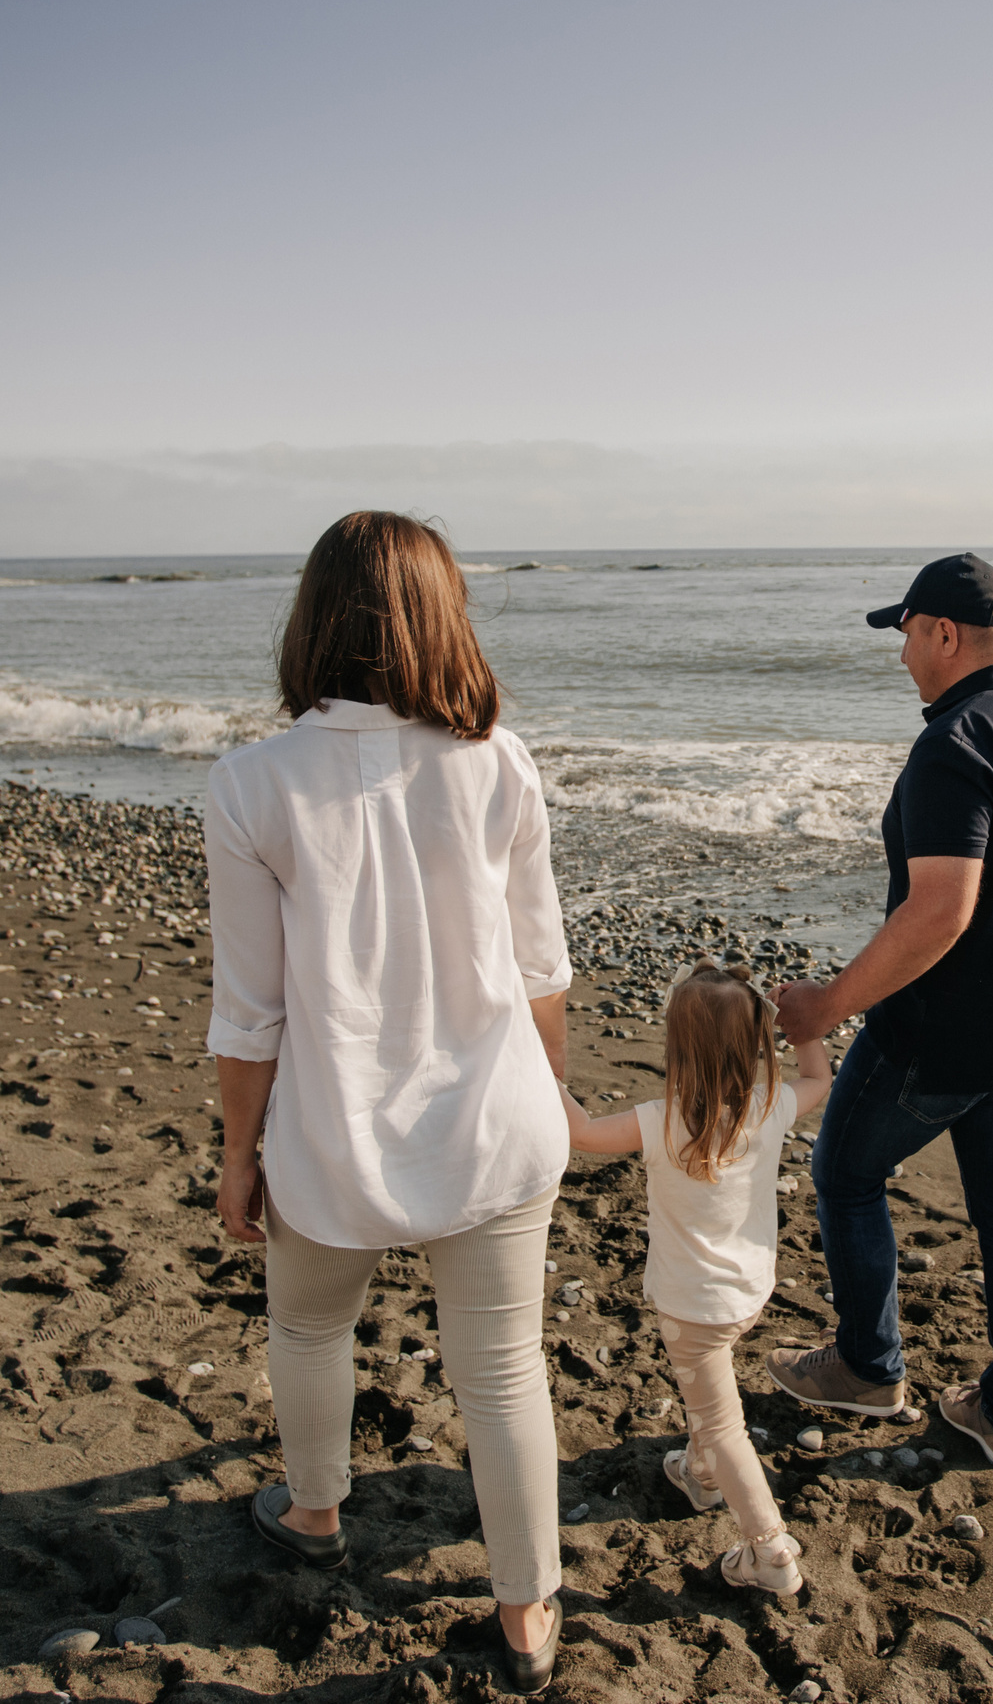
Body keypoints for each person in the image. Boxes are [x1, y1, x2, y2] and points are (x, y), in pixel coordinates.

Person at [204, 511, 573, 1693]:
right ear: (441, 615)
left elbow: (250, 1012)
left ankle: (316, 1512)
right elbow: (543, 970)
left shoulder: (252, 783)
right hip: (495, 1116)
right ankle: (527, 1613)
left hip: (332, 1128)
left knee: (309, 1328)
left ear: (313, 621)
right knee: (502, 1369)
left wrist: (237, 1154)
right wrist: (553, 1101)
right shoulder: (497, 760)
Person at [769, 553, 993, 1473]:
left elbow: (940, 910)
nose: (902, 653)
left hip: (938, 1038)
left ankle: (869, 1368)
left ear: (945, 632)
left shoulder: (957, 740)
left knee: (845, 1172)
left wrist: (825, 1006)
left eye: (907, 633)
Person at [561, 960, 834, 1596]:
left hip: (692, 1308)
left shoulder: (661, 1120)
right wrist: (803, 1026)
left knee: (722, 1422)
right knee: (708, 1398)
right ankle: (702, 1475)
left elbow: (581, 1134)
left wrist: (548, 1074)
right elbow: (819, 1076)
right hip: (749, 1293)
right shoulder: (770, 1107)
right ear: (755, 1043)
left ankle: (769, 1548)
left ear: (678, 1047)